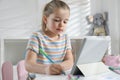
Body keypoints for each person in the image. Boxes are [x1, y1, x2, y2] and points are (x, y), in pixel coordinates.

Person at [25, 0, 73, 75]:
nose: (61, 25)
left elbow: (70, 61)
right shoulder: (37, 37)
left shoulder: (65, 38)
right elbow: (28, 65)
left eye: (65, 22)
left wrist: (60, 66)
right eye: (57, 20)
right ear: (45, 19)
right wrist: (46, 69)